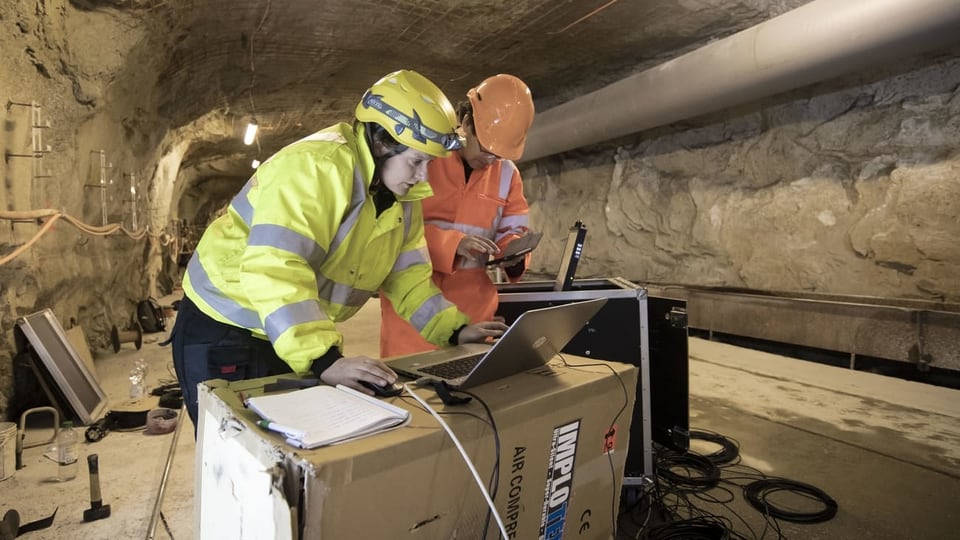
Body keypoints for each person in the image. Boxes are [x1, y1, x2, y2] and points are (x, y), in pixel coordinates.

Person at [171, 70, 509, 428]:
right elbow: (277, 266)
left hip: (284, 332)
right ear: (381, 142)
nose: (424, 178)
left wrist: (455, 331)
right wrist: (323, 359)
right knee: (243, 459)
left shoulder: (401, 196)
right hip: (228, 326)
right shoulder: (317, 167)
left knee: (293, 452)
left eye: (430, 163)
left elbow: (408, 276)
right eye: (416, 161)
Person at [379, 74, 536, 357]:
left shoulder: (507, 174)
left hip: (476, 314)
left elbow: (515, 229)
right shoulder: (424, 158)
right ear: (465, 124)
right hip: (413, 316)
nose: (490, 159)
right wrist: (453, 244)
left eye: (498, 155)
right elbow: (392, 230)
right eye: (486, 149)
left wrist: (514, 257)